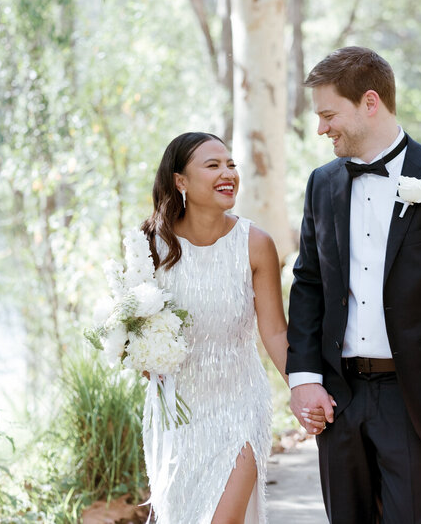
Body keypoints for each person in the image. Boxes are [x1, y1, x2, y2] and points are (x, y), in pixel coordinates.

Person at [286, 47, 421, 523]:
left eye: (328, 114)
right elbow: (309, 284)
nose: (322, 128)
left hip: (413, 397)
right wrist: (303, 379)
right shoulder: (322, 183)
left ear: (370, 102)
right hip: (338, 398)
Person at [139, 132, 326, 524]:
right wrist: (140, 353)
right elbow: (132, 325)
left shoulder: (255, 243)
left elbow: (274, 331)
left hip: (240, 407)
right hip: (177, 413)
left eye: (230, 164)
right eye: (213, 165)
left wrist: (303, 388)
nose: (227, 173)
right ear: (180, 181)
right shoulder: (150, 247)